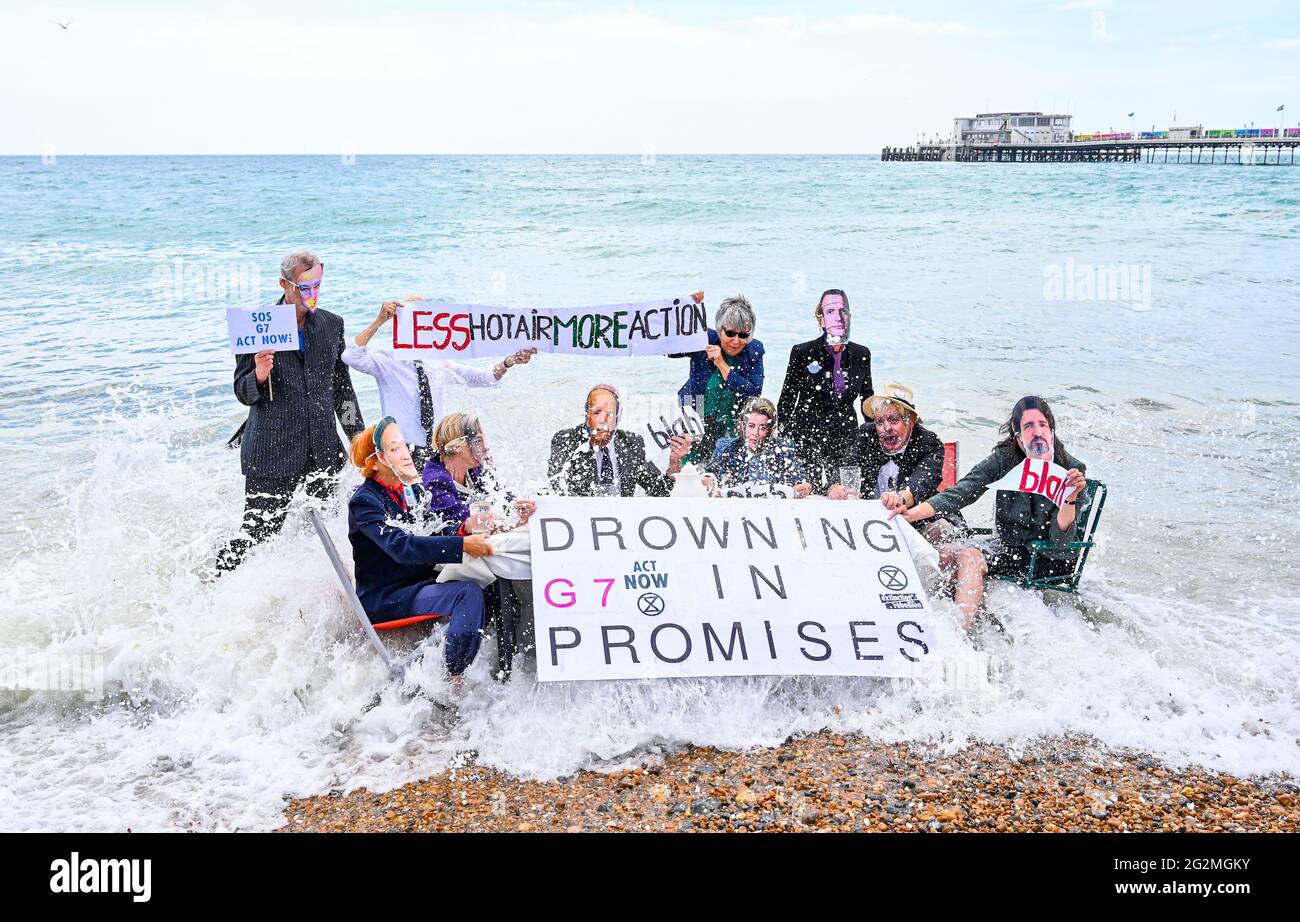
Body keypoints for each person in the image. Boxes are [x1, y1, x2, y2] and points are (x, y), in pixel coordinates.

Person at [217, 250, 364, 572]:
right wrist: (257, 372)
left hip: (324, 449)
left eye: (317, 287)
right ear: (284, 284)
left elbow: (343, 389)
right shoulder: (256, 325)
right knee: (258, 533)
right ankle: (214, 583)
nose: (312, 295)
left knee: (325, 531)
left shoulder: (332, 324)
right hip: (271, 450)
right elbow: (242, 392)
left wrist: (359, 438)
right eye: (304, 288)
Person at [894, 396, 1089, 631]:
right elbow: (961, 492)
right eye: (1028, 426)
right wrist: (911, 515)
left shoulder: (1070, 468)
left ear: (1051, 428)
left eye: (1043, 425)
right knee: (943, 554)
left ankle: (960, 637)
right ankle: (930, 620)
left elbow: (1062, 539)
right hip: (1011, 548)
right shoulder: (1004, 459)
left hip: (1048, 557)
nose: (1036, 433)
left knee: (969, 557)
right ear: (1016, 434)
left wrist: (1071, 496)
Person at [348, 416, 495, 678]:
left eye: (405, 446)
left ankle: (498, 670)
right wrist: (462, 545)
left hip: (417, 584)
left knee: (493, 585)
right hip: (387, 596)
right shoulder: (364, 501)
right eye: (394, 449)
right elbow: (401, 546)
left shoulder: (410, 492)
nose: (406, 454)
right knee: (468, 593)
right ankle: (454, 679)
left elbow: (433, 530)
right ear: (377, 460)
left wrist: (465, 528)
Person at [343, 297, 535, 470]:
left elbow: (481, 377)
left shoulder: (436, 361)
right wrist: (379, 321)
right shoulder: (386, 361)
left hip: (436, 449)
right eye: (411, 320)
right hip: (401, 449)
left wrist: (508, 362)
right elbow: (351, 356)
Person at [776, 289, 873, 492]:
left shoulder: (861, 354)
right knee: (806, 492)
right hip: (805, 434)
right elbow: (786, 401)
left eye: (843, 311)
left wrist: (873, 436)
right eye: (830, 312)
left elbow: (867, 402)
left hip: (846, 436)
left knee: (841, 492)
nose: (838, 317)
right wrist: (786, 441)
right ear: (821, 320)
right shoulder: (802, 352)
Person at [827, 383, 953, 522]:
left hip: (919, 521)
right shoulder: (867, 433)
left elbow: (923, 483)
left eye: (893, 420)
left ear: (910, 421)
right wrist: (836, 488)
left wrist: (901, 497)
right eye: (880, 421)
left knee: (942, 530)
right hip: (869, 519)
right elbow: (845, 469)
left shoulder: (929, 442)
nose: (886, 428)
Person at [669, 295, 764, 464]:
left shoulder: (754, 350)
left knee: (725, 464)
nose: (736, 341)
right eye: (730, 333)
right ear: (719, 329)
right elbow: (670, 347)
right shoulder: (703, 338)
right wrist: (687, 308)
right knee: (690, 464)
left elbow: (753, 390)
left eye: (743, 335)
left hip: (730, 418)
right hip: (695, 408)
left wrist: (721, 364)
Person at [548, 384, 691, 496]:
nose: (602, 420)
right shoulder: (566, 440)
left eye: (609, 414)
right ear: (587, 414)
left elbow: (661, 491)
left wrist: (674, 462)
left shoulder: (631, 443)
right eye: (596, 412)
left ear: (618, 417)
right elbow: (556, 488)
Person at [422, 412, 536, 535]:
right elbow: (466, 525)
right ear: (458, 447)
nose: (485, 447)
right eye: (477, 441)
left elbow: (503, 499)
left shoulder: (476, 470)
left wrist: (518, 508)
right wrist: (516, 523)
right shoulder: (436, 482)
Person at [703, 397, 812, 498]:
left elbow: (802, 482)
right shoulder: (726, 447)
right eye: (751, 426)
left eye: (762, 428)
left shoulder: (783, 449)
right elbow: (708, 475)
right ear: (743, 426)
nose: (756, 433)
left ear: (771, 430)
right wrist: (709, 483)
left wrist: (804, 488)